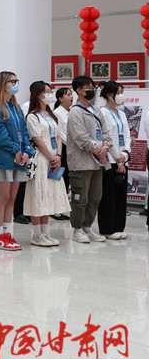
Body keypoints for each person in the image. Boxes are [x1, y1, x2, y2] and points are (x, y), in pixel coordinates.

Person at [0, 71, 33, 251]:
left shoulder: (16, 107)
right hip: (3, 156)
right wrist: (15, 149)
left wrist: (27, 150)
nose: (15, 84)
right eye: (11, 81)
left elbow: (24, 131)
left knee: (12, 197)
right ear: (3, 84)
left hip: (19, 157)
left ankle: (8, 233)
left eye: (16, 81)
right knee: (3, 197)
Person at [66, 75, 113, 244]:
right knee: (80, 198)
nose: (92, 91)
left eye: (93, 87)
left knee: (95, 197)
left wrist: (105, 147)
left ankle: (87, 227)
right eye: (88, 88)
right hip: (81, 162)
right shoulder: (75, 111)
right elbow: (80, 137)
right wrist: (97, 150)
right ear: (79, 90)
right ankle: (77, 229)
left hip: (97, 163)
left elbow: (106, 131)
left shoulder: (96, 110)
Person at [23, 81, 66, 247]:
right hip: (41, 160)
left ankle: (45, 232)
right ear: (38, 94)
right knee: (39, 194)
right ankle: (36, 234)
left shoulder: (52, 115)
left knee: (48, 196)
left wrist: (58, 156)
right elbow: (38, 139)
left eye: (50, 91)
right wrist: (51, 157)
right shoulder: (32, 116)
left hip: (54, 160)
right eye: (46, 91)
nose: (50, 94)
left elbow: (59, 137)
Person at [97, 80, 131, 240]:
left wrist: (125, 154)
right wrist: (118, 158)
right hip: (110, 160)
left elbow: (127, 136)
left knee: (121, 195)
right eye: (118, 93)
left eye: (121, 92)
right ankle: (107, 228)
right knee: (108, 195)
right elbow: (108, 138)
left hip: (123, 159)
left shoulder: (122, 113)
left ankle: (118, 227)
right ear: (109, 94)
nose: (120, 95)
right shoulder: (102, 113)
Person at [51, 87, 74, 220]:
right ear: (60, 98)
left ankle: (62, 208)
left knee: (67, 179)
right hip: (62, 149)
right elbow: (60, 134)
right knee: (58, 179)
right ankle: (54, 210)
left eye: (71, 94)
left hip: (71, 149)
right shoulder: (57, 113)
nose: (71, 97)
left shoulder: (72, 111)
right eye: (68, 95)